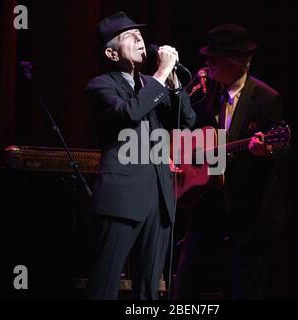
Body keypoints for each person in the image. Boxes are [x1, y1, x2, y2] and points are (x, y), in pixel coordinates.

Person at [173, 24, 290, 299]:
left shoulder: (265, 98)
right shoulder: (206, 91)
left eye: (213, 60)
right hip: (207, 201)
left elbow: (282, 144)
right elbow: (189, 131)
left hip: (248, 207)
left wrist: (266, 150)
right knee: (187, 277)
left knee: (244, 285)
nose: (207, 65)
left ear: (234, 63)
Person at [85, 11, 196, 300]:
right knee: (104, 284)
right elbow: (129, 112)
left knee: (150, 289)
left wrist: (172, 83)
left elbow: (186, 121)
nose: (139, 38)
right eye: (128, 36)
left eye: (140, 34)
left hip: (159, 198)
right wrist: (160, 76)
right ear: (111, 53)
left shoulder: (153, 85)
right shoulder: (101, 86)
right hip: (121, 198)